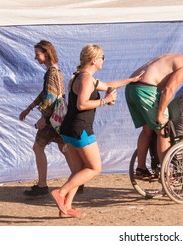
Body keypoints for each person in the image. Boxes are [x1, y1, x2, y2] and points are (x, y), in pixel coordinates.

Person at [51, 44, 144, 218]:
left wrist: (130, 81)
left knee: (79, 170)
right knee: (94, 168)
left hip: (69, 128)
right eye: (102, 57)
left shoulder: (82, 76)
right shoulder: (86, 79)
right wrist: (105, 101)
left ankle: (66, 208)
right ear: (94, 60)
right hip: (80, 129)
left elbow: (108, 84)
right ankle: (61, 193)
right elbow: (82, 104)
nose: (104, 60)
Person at [125, 43, 183, 179]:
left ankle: (141, 169)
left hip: (132, 89)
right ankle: (166, 174)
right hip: (146, 89)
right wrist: (160, 114)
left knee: (147, 130)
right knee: (164, 131)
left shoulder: (172, 57)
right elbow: (169, 89)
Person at [19, 40, 72, 197]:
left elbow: (50, 97)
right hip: (59, 116)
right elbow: (46, 93)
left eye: (37, 54)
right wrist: (29, 108)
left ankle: (42, 185)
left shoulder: (51, 73)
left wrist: (44, 117)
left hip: (52, 117)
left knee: (38, 147)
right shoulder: (56, 71)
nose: (35, 57)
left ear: (46, 53)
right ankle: (77, 179)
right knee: (64, 148)